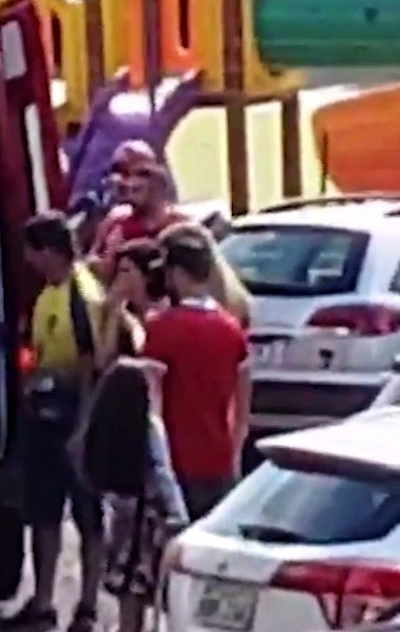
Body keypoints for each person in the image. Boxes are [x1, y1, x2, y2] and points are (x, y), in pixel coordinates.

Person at [8, 210, 106, 632]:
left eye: (33, 252)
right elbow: (34, 347)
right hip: (43, 416)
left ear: (48, 251)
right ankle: (43, 602)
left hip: (73, 415)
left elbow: (90, 363)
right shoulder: (48, 291)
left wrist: (84, 427)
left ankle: (87, 606)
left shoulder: (82, 295)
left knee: (86, 514)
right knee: (43, 513)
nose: (29, 261)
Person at [142, 225, 251, 520]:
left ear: (177, 274)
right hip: (220, 462)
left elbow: (151, 408)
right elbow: (241, 410)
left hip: (177, 464)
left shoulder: (162, 329)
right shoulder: (232, 329)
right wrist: (233, 457)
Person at [81, 359, 189, 632]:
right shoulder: (148, 428)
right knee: (140, 588)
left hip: (116, 512)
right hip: (144, 517)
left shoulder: (102, 426)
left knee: (124, 588)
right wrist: (178, 519)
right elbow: (162, 473)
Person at [90, 147, 189, 280]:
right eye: (122, 172)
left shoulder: (181, 226)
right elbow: (91, 261)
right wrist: (111, 256)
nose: (128, 183)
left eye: (142, 174)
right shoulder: (116, 220)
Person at [95, 239, 167, 370]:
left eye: (126, 271)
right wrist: (114, 313)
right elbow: (103, 362)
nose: (119, 278)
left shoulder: (164, 309)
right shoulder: (122, 312)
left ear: (147, 275)